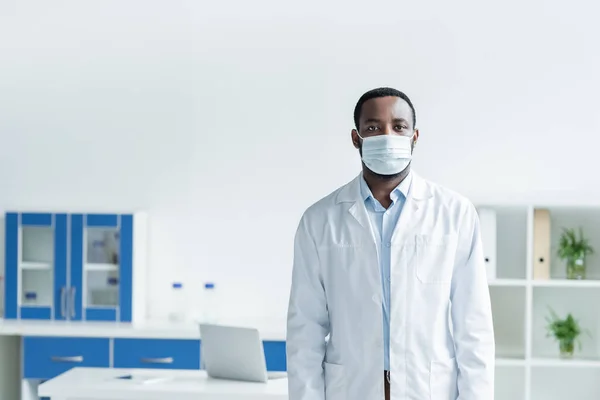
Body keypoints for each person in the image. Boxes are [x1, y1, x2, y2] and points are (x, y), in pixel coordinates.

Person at [286, 87, 495, 400]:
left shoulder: (454, 213)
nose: (387, 136)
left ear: (414, 136)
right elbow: (306, 330)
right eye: (373, 127)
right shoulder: (319, 221)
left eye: (398, 127)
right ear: (356, 139)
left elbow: (473, 326)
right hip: (350, 388)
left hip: (429, 389)